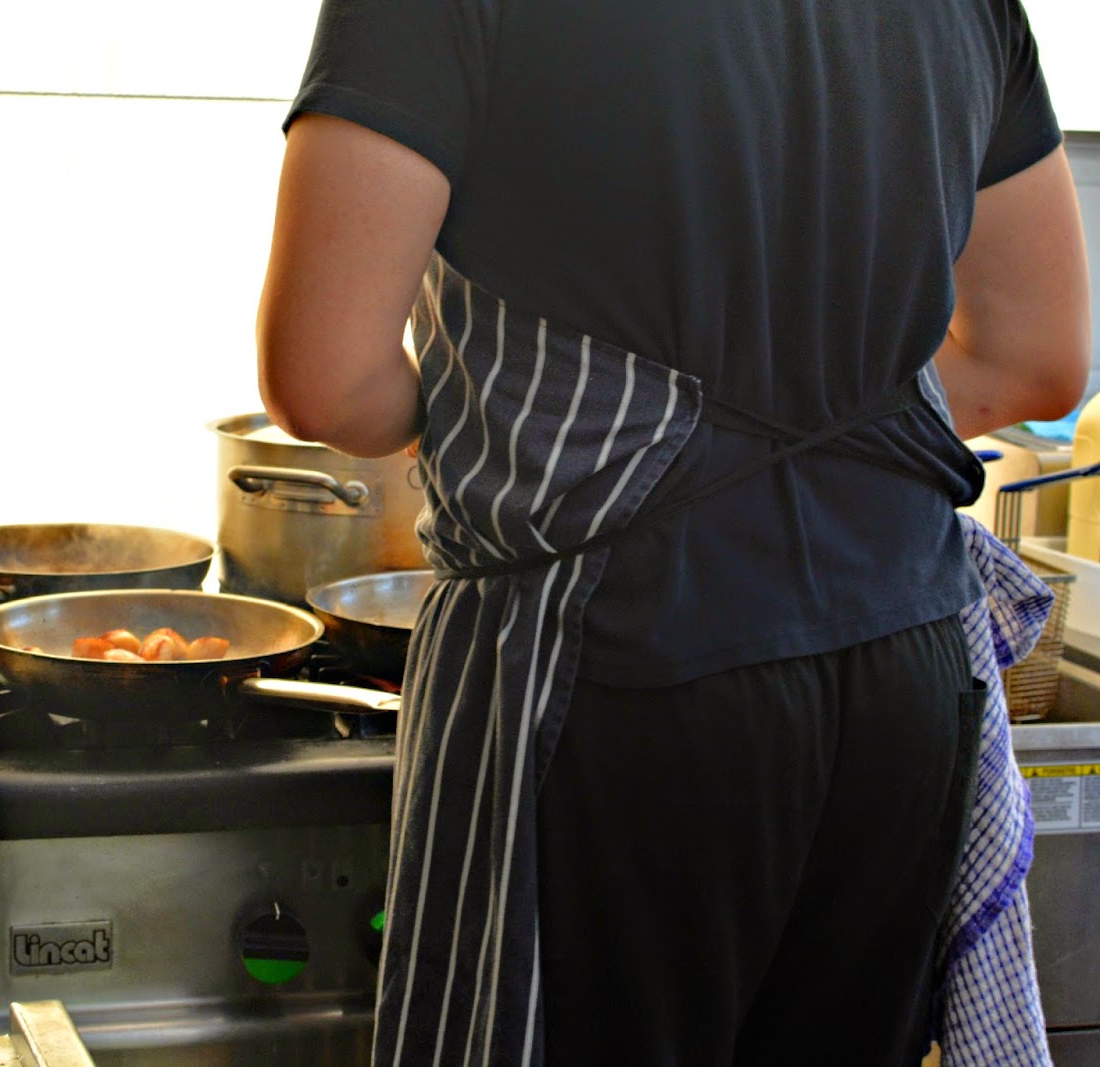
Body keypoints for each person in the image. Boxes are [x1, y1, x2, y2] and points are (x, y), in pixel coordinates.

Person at [256, 0, 1092, 1064]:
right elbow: (1037, 359)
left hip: (615, 657)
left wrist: (519, 422)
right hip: (902, 661)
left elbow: (322, 379)